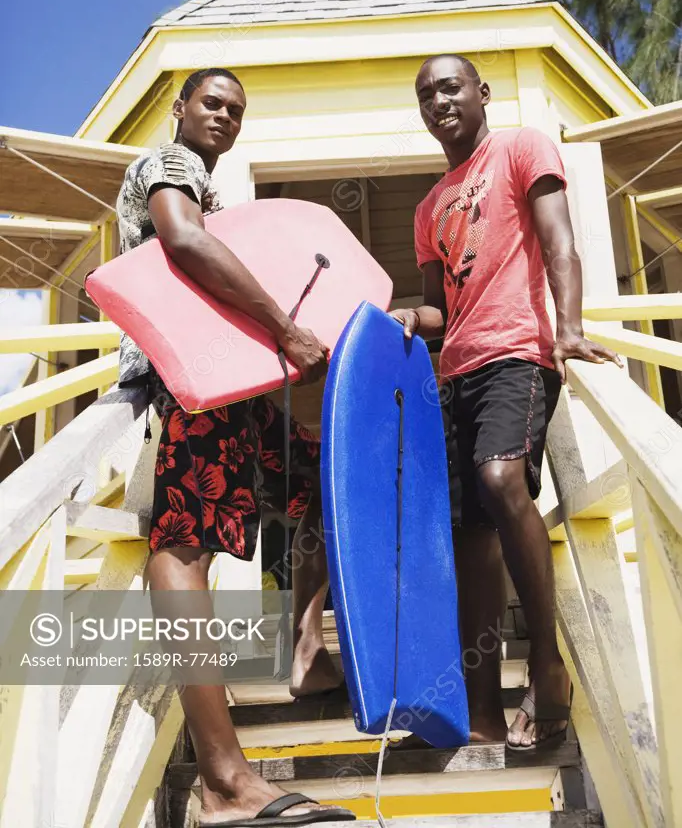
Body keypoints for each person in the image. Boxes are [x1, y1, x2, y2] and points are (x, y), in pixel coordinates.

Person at [116, 68, 354, 826]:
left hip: (233, 385)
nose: (223, 115)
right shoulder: (172, 166)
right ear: (179, 108)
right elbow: (181, 242)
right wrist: (286, 330)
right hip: (194, 383)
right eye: (211, 102)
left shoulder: (210, 190)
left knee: (318, 486)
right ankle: (223, 779)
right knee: (184, 543)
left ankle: (304, 655)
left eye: (236, 111)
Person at [391, 54, 621, 752]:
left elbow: (560, 242)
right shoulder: (428, 208)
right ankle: (482, 708)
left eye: (451, 87)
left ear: (481, 92)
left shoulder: (522, 147)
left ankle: (547, 668)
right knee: (469, 541)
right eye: (427, 94)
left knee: (501, 478)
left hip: (517, 355)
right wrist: (405, 317)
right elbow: (440, 311)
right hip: (455, 375)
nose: (440, 101)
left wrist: (570, 328)